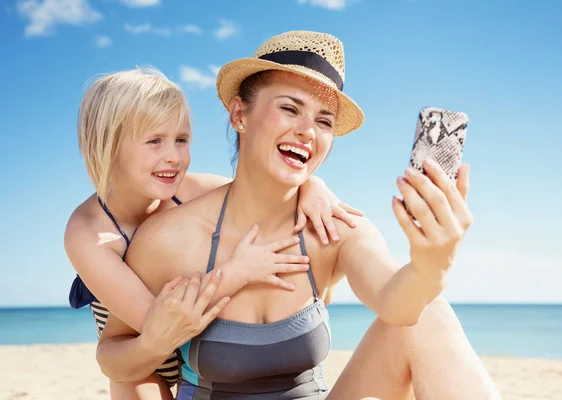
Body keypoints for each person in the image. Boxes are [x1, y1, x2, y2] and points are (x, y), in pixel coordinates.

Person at [95, 31, 501, 399]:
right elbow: (117, 363)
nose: (308, 130)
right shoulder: (170, 238)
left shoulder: (334, 228)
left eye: (323, 121)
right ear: (239, 115)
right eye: (290, 109)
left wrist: (434, 262)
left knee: (431, 313)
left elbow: (400, 307)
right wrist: (152, 342)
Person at [64, 67, 364, 399]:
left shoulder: (194, 190)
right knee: (129, 381)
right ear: (108, 145)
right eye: (154, 141)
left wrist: (313, 186)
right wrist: (236, 274)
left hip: (202, 350)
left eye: (181, 140)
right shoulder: (88, 233)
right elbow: (163, 320)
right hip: (150, 350)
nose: (173, 157)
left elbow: (268, 195)